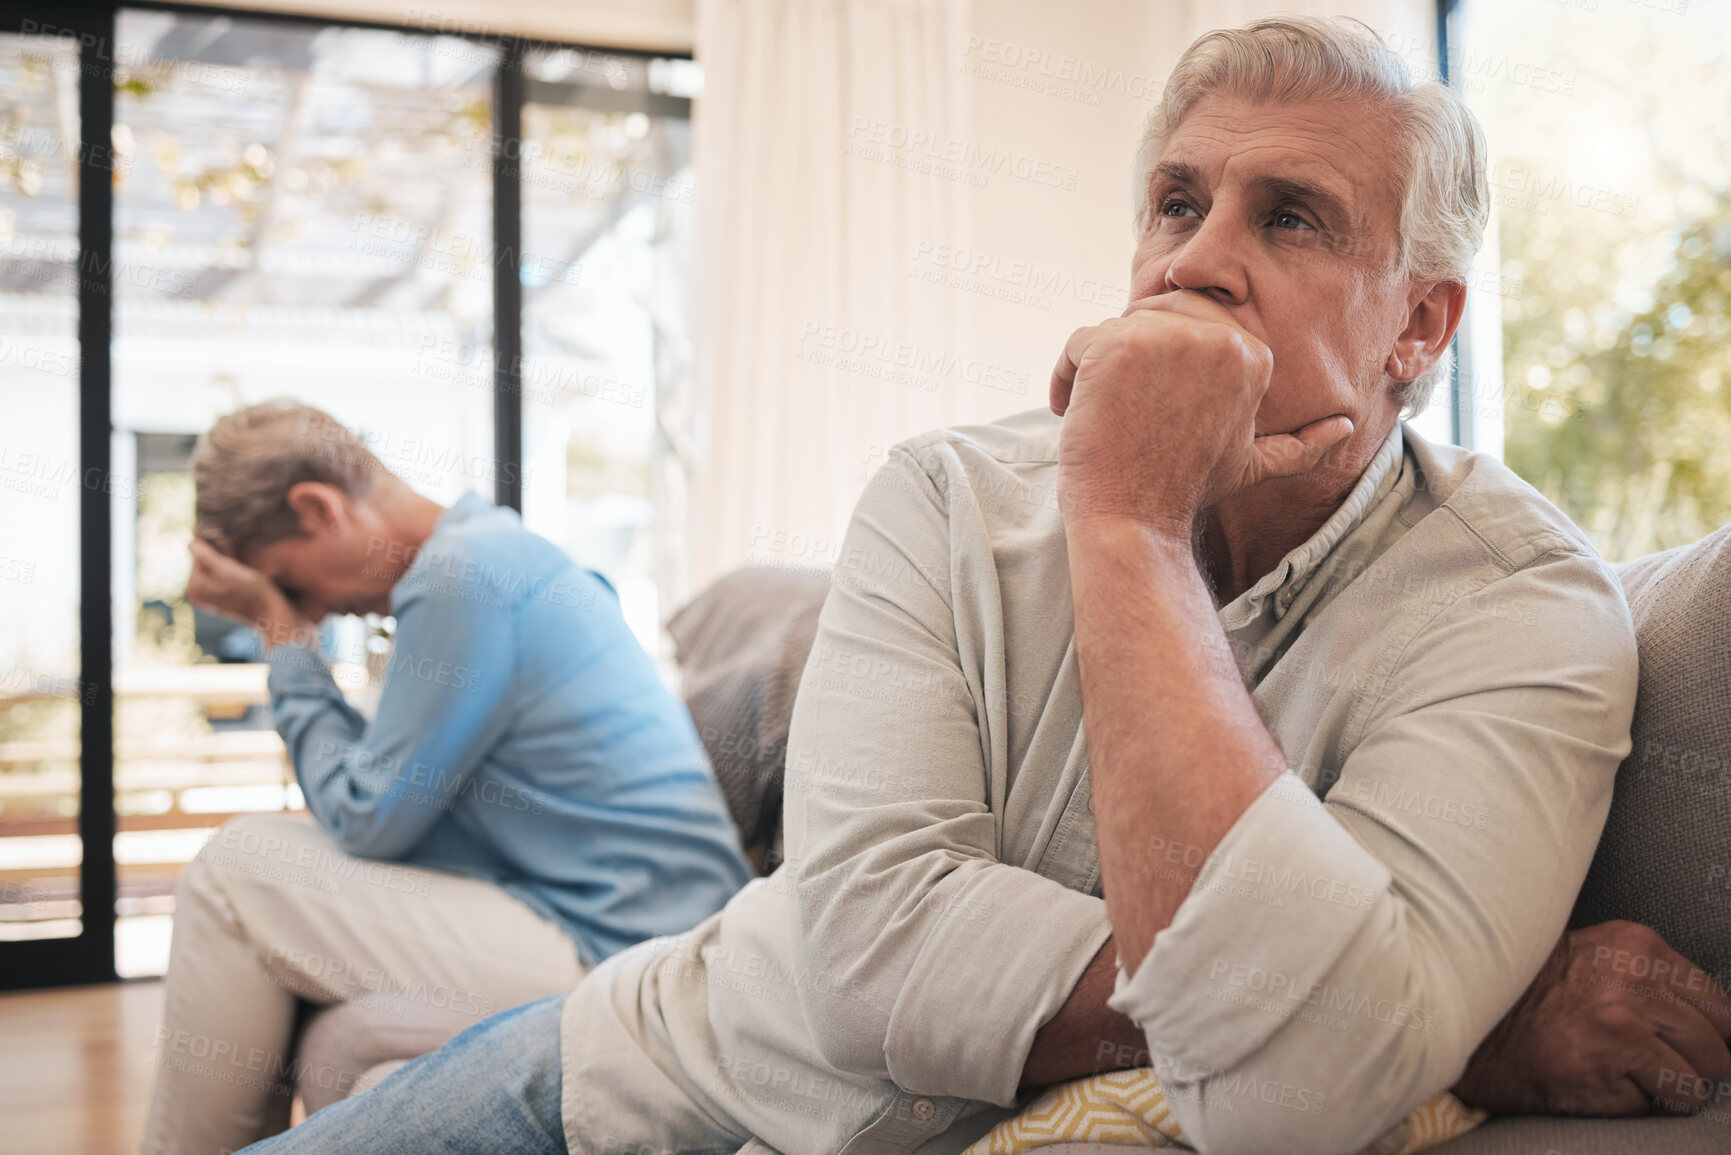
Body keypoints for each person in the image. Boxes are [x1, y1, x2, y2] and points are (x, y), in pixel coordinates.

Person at [237, 17, 1730, 1155]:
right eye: (1172, 202)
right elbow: (866, 955)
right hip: (649, 1074)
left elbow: (1292, 1088)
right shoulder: (943, 490)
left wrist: (1128, 528)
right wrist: (1430, 1013)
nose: (1189, 265)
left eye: (1286, 217)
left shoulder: (1519, 603)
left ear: (1419, 320)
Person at [141, 400, 754, 1155]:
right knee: (346, 1048)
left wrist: (283, 633)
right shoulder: (492, 553)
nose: (318, 607)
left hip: (634, 949)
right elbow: (392, 802)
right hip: (620, 928)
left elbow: (367, 816)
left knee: (236, 871)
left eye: (291, 582)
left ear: (319, 507)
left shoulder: (462, 575)